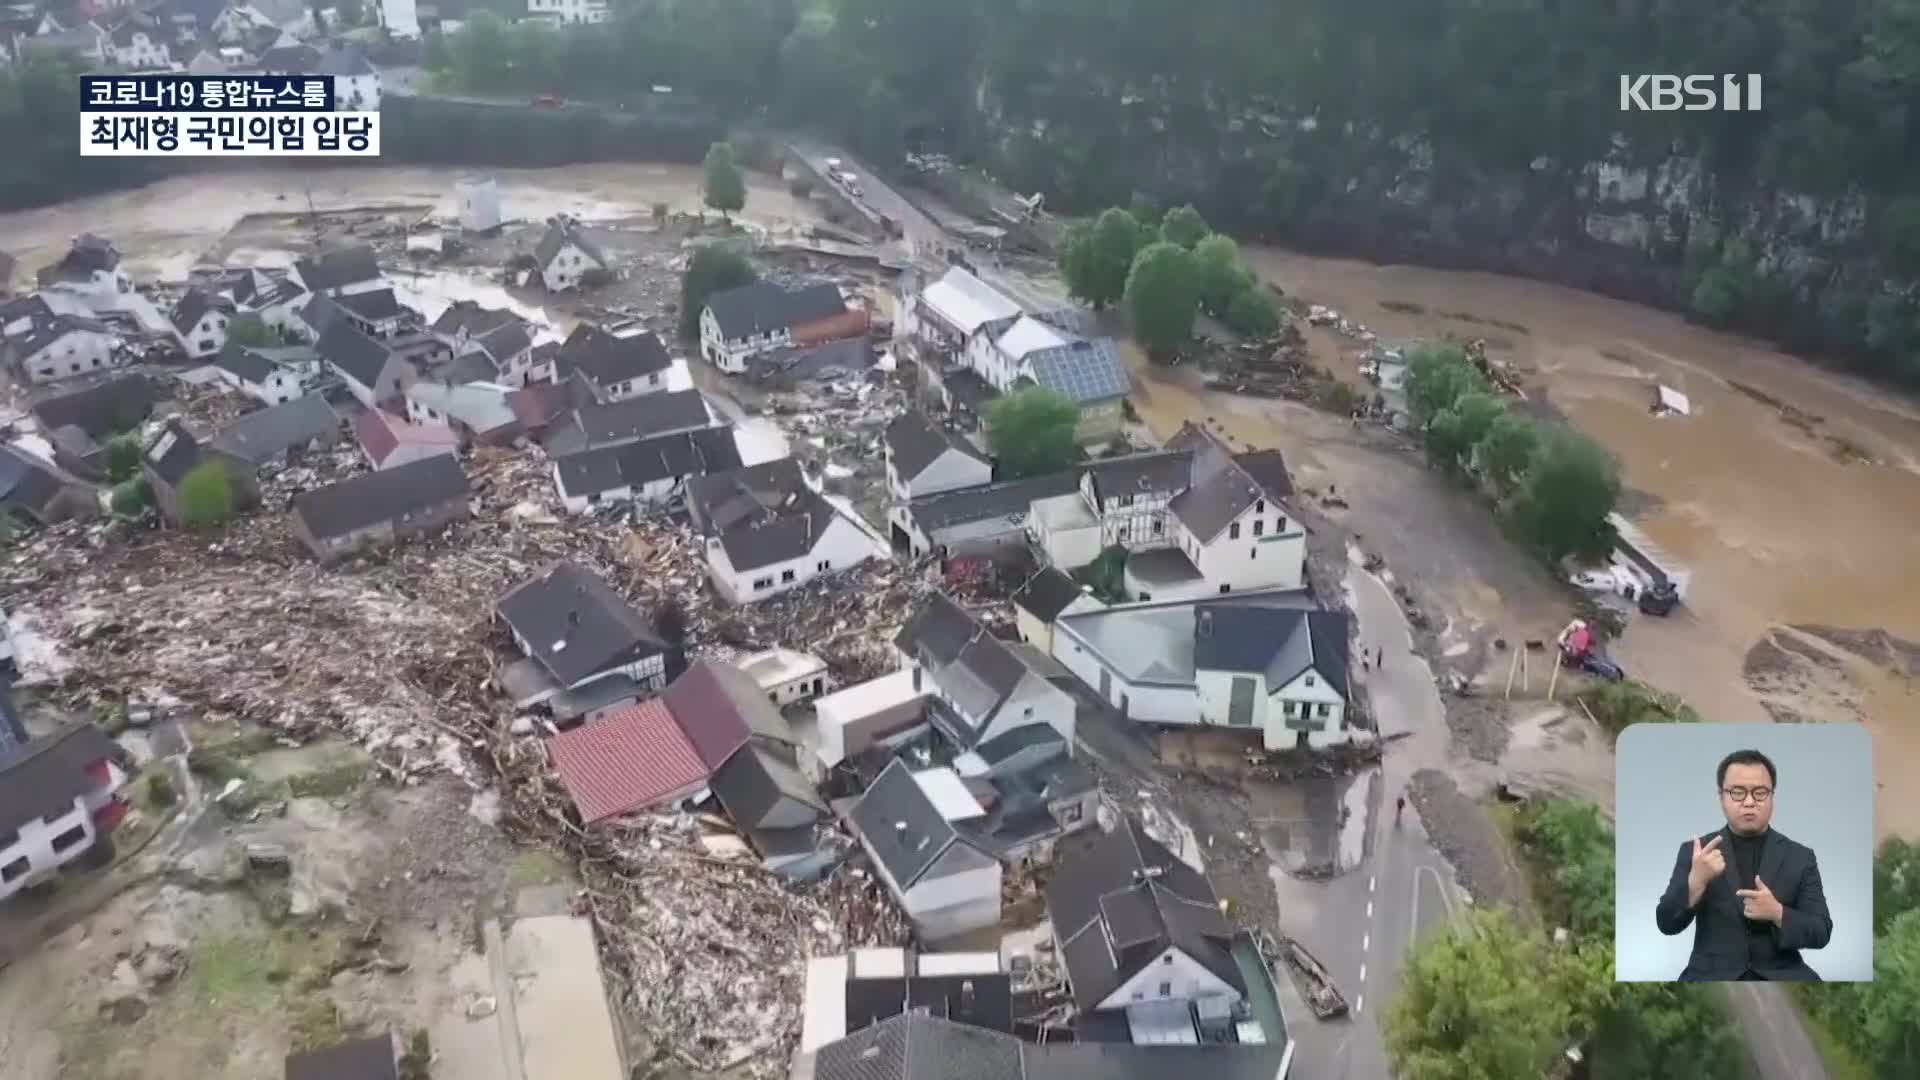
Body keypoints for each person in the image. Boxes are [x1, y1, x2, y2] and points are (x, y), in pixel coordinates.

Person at [1654, 749, 1832, 981]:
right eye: (1737, 792)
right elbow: (1666, 923)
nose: (1749, 802)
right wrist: (1695, 883)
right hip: (1711, 976)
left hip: (1783, 975)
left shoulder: (1800, 857)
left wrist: (1777, 913)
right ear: (1721, 796)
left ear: (1772, 796)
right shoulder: (1696, 851)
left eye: (1760, 793)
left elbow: (1822, 931)